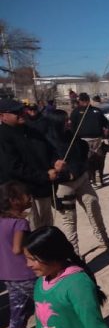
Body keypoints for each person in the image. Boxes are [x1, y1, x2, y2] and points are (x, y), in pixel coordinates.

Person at [45, 109, 109, 255]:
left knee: (93, 204)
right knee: (70, 220)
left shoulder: (72, 136)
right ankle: (74, 254)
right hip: (63, 186)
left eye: (68, 119)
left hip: (81, 179)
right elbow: (46, 166)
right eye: (65, 121)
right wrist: (57, 169)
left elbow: (82, 155)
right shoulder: (47, 142)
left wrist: (81, 168)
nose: (69, 122)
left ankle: (104, 239)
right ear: (56, 123)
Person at [0, 98, 65, 229]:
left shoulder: (31, 130)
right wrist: (45, 176)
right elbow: (13, 168)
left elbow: (50, 149)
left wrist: (56, 161)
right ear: (2, 116)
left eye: (21, 110)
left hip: (42, 190)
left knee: (47, 229)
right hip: (23, 196)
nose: (21, 113)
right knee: (32, 233)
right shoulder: (3, 136)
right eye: (16, 112)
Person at [0, 181, 37, 328]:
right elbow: (17, 249)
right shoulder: (20, 223)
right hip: (26, 274)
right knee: (49, 310)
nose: (29, 198)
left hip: (8, 276)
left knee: (17, 320)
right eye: (25, 195)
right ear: (14, 201)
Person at [70, 93, 109, 186]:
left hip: (97, 139)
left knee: (99, 159)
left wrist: (106, 129)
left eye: (86, 100)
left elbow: (105, 122)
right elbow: (73, 127)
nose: (84, 102)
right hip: (83, 140)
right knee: (87, 160)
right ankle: (89, 179)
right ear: (79, 101)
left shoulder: (97, 111)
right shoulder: (76, 112)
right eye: (82, 100)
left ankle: (99, 178)